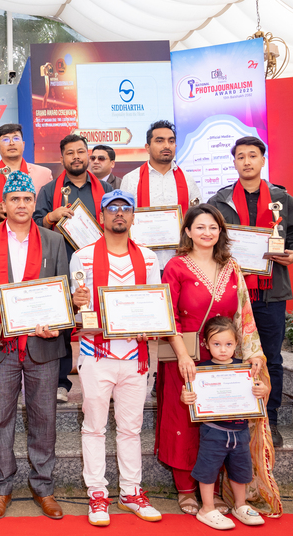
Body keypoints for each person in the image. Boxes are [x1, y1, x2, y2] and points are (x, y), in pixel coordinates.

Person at [0, 171, 79, 520]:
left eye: (27, 199)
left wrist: (58, 321)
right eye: (14, 199)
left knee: (44, 418)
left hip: (42, 345)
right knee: (0, 419)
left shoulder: (54, 241)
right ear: (3, 203)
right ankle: (1, 488)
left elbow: (62, 292)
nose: (21, 204)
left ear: (34, 202)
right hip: (0, 345)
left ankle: (44, 487)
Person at [159, 204, 278, 517]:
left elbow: (244, 313)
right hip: (185, 357)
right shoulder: (176, 266)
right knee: (185, 422)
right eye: (200, 227)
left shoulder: (231, 266)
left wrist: (252, 353)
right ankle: (186, 489)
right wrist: (182, 356)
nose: (207, 233)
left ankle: (214, 490)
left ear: (220, 231)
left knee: (221, 420)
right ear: (188, 231)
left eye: (213, 227)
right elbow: (168, 315)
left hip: (224, 359)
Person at [208, 136, 293, 448]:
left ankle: (270, 420)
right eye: (241, 156)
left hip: (271, 292)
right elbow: (208, 238)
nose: (247, 161)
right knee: (230, 353)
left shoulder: (281, 198)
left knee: (271, 358)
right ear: (234, 162)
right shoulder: (219, 201)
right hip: (231, 291)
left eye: (253, 155)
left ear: (263, 160)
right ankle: (232, 415)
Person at [69, 190, 162, 526]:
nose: (119, 213)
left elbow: (155, 303)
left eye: (125, 208)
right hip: (96, 353)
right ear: (102, 216)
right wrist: (76, 301)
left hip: (135, 355)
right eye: (112, 208)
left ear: (133, 216)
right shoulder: (82, 257)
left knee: (131, 428)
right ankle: (97, 494)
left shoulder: (149, 258)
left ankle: (131, 492)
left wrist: (154, 324)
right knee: (94, 427)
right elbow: (77, 308)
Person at [34, 133, 112, 402]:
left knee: (101, 319)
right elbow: (34, 225)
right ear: (62, 158)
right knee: (63, 325)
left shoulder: (106, 189)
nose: (76, 157)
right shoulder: (49, 190)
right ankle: (60, 383)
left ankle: (106, 377)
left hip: (99, 266)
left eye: (80, 151)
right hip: (60, 265)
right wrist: (51, 216)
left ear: (88, 154)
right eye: (70, 153)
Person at [180, 317, 269, 530]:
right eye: (217, 344)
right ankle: (207, 508)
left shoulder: (246, 369)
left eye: (228, 344)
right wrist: (186, 398)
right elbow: (190, 397)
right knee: (208, 470)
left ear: (236, 344)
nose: (223, 349)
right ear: (206, 344)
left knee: (241, 471)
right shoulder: (199, 370)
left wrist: (262, 391)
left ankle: (241, 505)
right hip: (213, 431)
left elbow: (260, 395)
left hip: (240, 431)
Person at [120, 120, 203, 271]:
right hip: (143, 261)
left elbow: (198, 219)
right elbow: (123, 220)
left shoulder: (187, 179)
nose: (166, 145)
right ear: (147, 147)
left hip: (183, 262)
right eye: (160, 141)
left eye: (171, 141)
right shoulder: (131, 179)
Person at [0, 123, 53, 225]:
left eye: (16, 139)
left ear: (23, 145)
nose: (11, 143)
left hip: (35, 231)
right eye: (5, 140)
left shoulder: (44, 174)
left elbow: (49, 209)